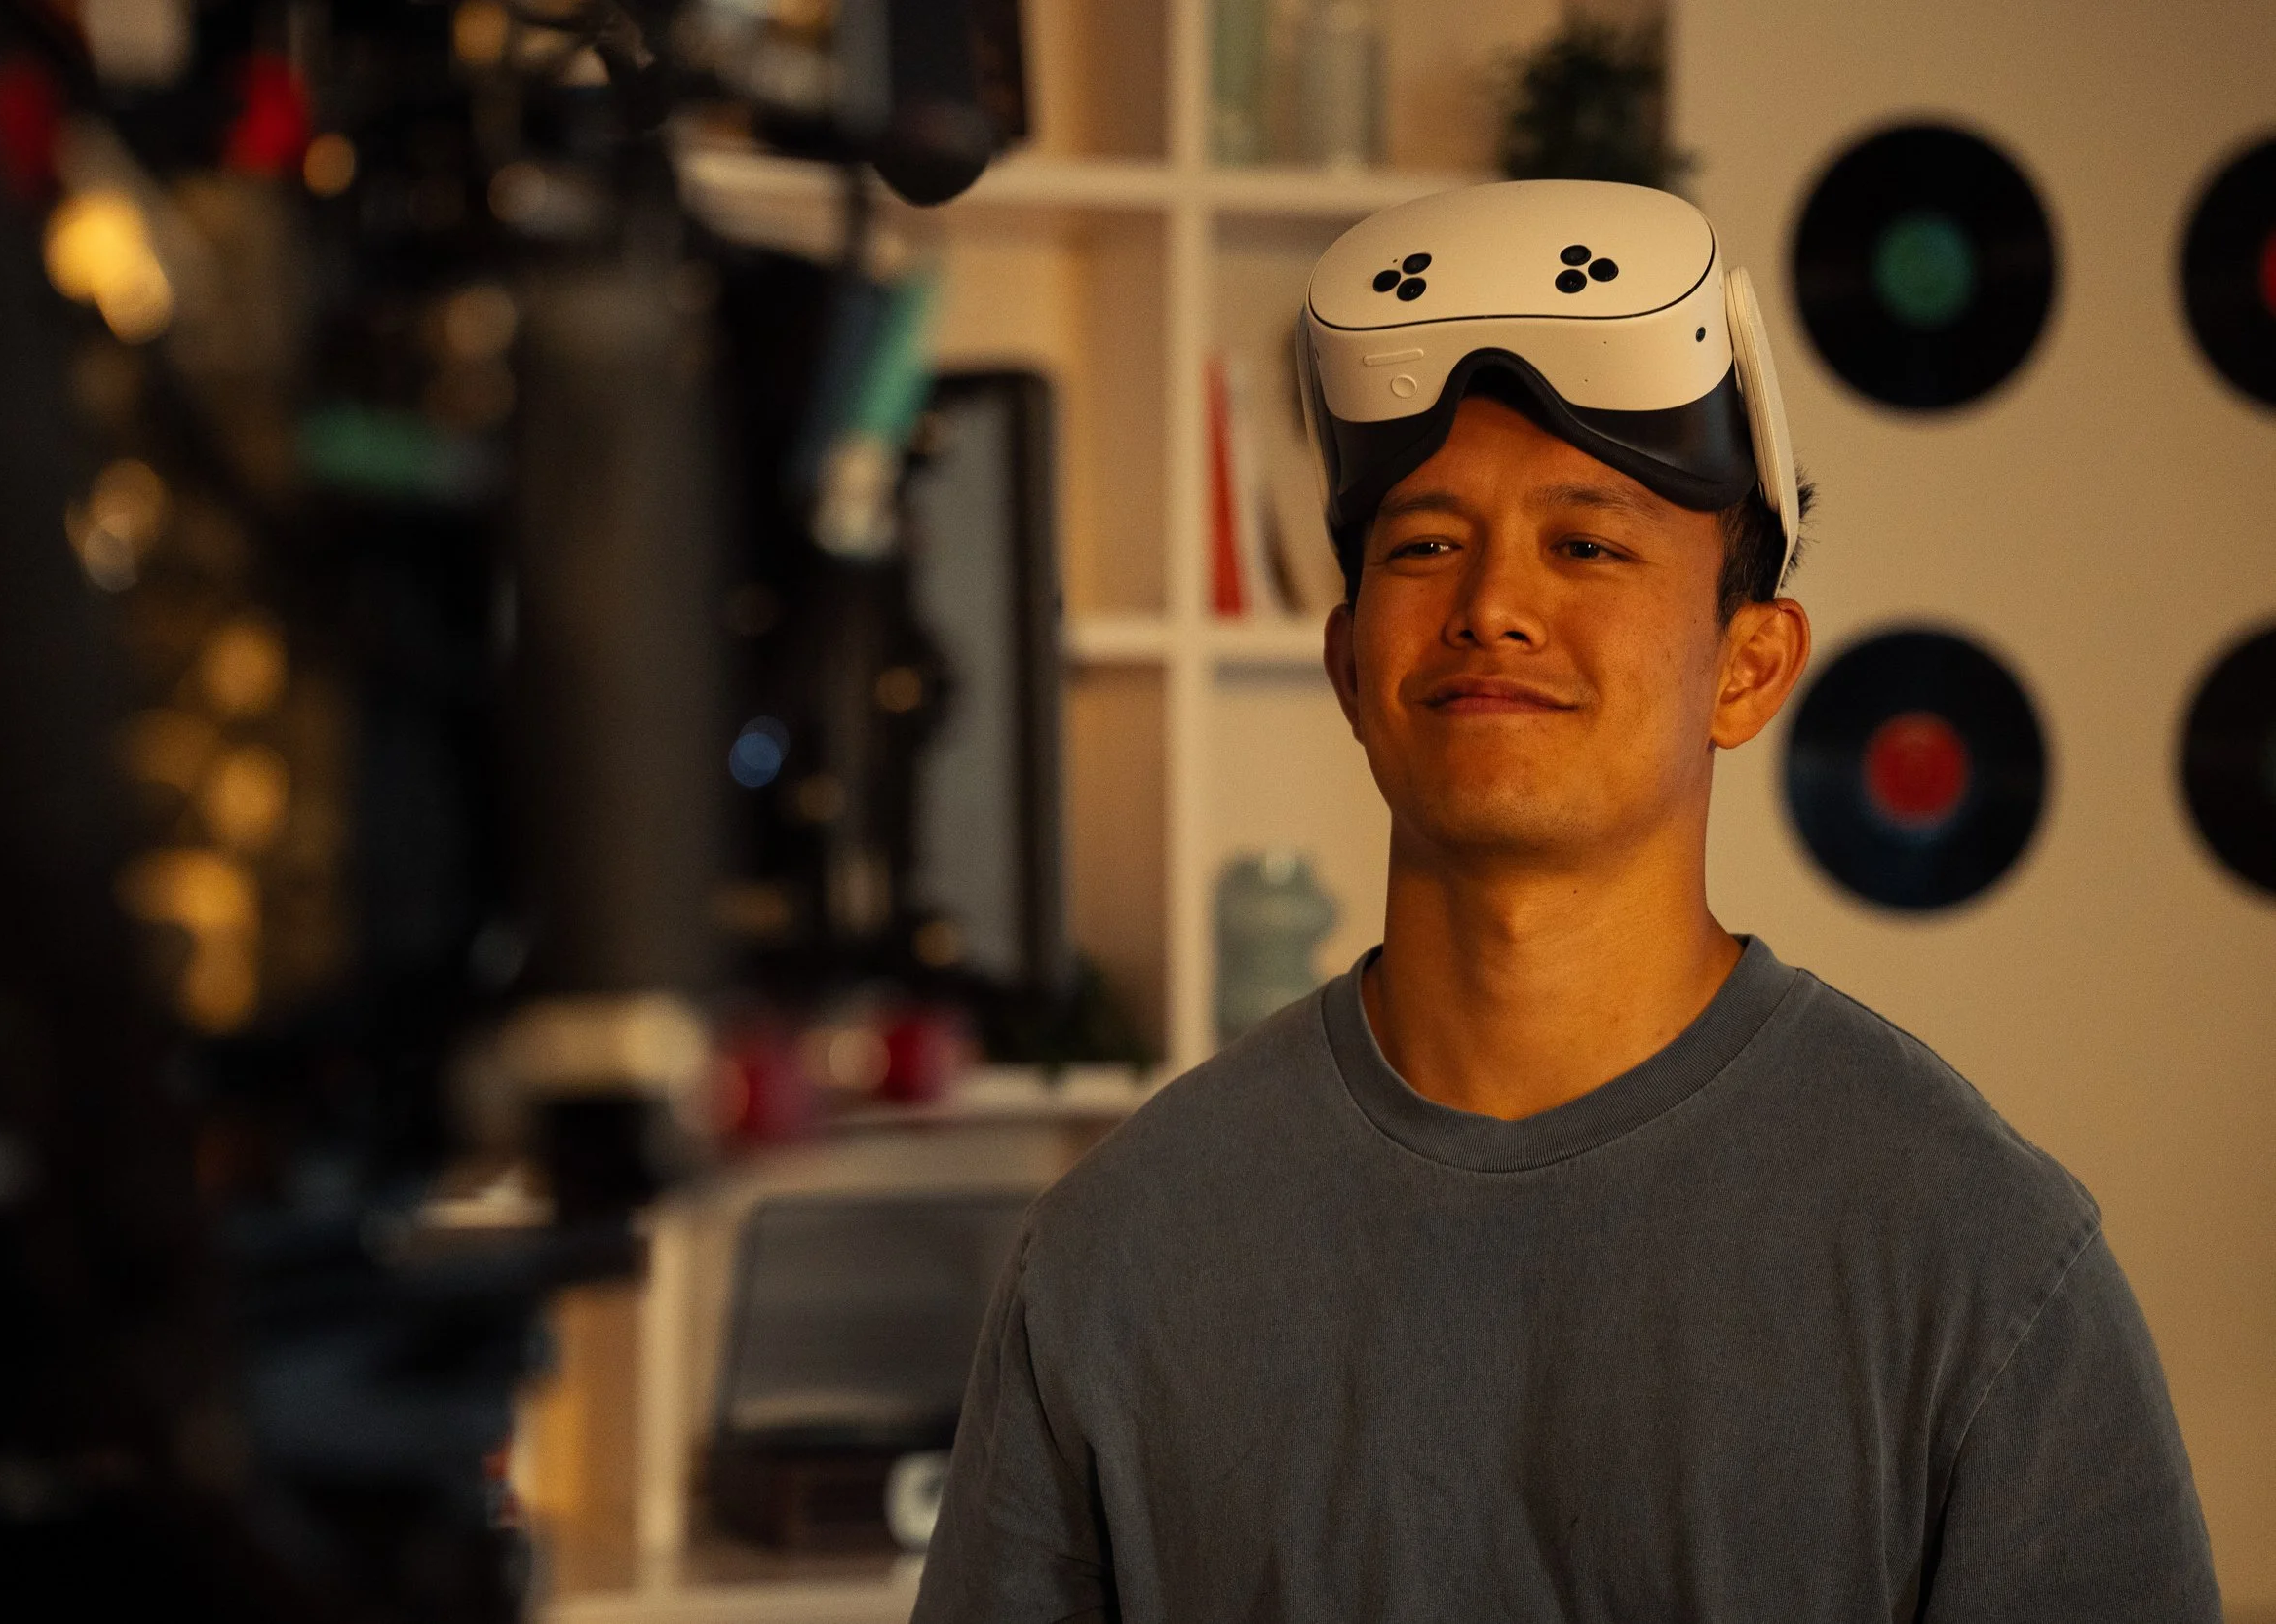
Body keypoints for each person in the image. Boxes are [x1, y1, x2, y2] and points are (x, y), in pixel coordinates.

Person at [909, 181, 2218, 1622]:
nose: (1491, 604)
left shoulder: (1980, 1269)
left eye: (1587, 544)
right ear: (1350, 665)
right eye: (1423, 544)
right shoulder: (1120, 1254)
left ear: (1750, 668)